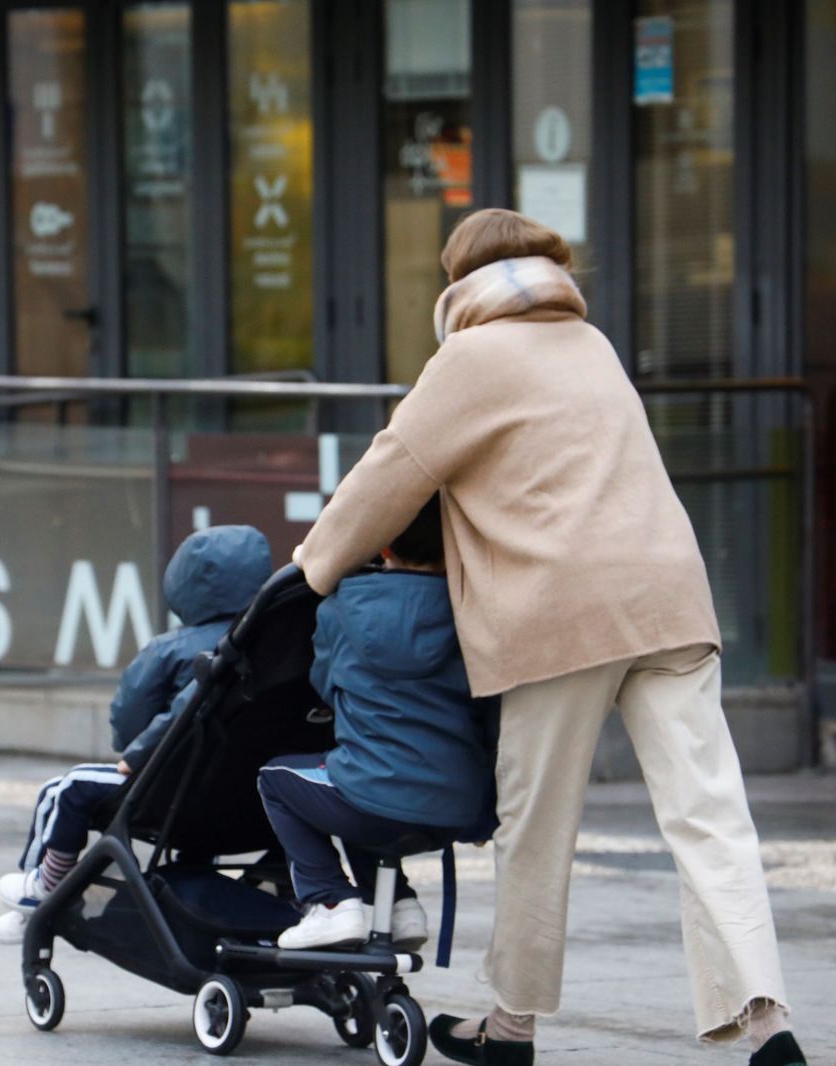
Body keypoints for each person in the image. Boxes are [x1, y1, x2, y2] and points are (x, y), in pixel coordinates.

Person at [290, 209, 808, 1066]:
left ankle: (511, 1030)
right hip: (670, 599)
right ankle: (769, 1025)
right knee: (710, 817)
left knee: (538, 828)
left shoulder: (469, 357)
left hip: (558, 613)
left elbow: (387, 475)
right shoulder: (592, 343)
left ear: (458, 283)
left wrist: (309, 570)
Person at [0, 524, 272, 944]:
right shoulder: (275, 645)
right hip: (257, 805)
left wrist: (136, 753)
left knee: (61, 788)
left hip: (173, 795)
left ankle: (43, 887)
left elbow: (129, 724)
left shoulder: (169, 649)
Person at [258, 496, 495, 951]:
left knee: (280, 779)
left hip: (371, 798)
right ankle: (399, 906)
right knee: (364, 789)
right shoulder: (471, 613)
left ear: (383, 547)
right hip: (456, 808)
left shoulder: (341, 607)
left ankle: (328, 901)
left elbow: (325, 685)